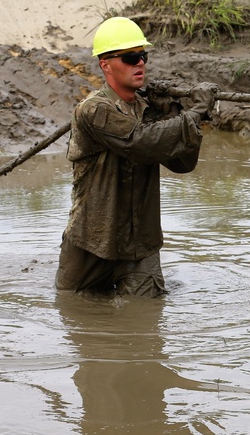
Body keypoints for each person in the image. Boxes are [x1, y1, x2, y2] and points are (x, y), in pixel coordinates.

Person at [55, 16, 218, 297]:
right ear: (105, 64)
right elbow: (138, 142)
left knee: (146, 326)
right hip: (91, 240)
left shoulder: (146, 108)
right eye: (131, 57)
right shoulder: (94, 110)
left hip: (140, 244)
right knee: (71, 308)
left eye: (143, 56)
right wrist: (192, 115)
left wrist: (174, 114)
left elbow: (182, 164)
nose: (140, 63)